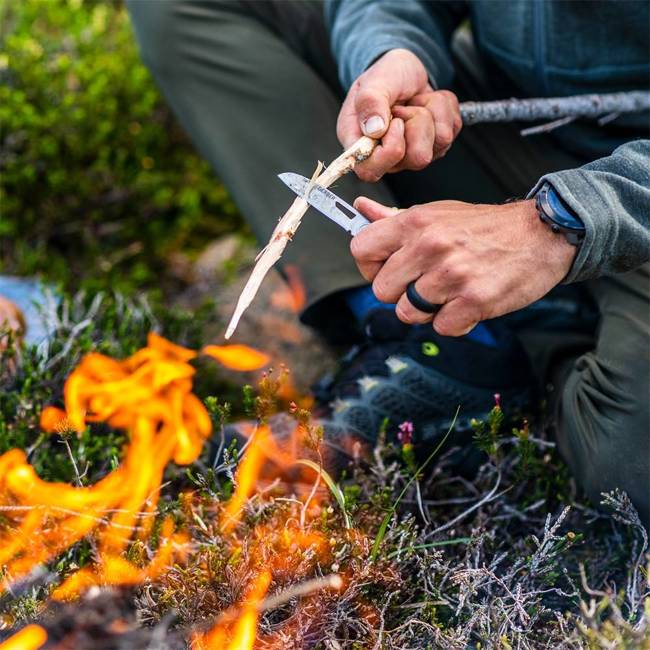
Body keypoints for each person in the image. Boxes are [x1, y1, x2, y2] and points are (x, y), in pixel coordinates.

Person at [127, 0, 650, 527]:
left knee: (627, 467)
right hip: (510, 124)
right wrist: (392, 50)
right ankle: (433, 342)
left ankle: (540, 333)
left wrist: (556, 222)